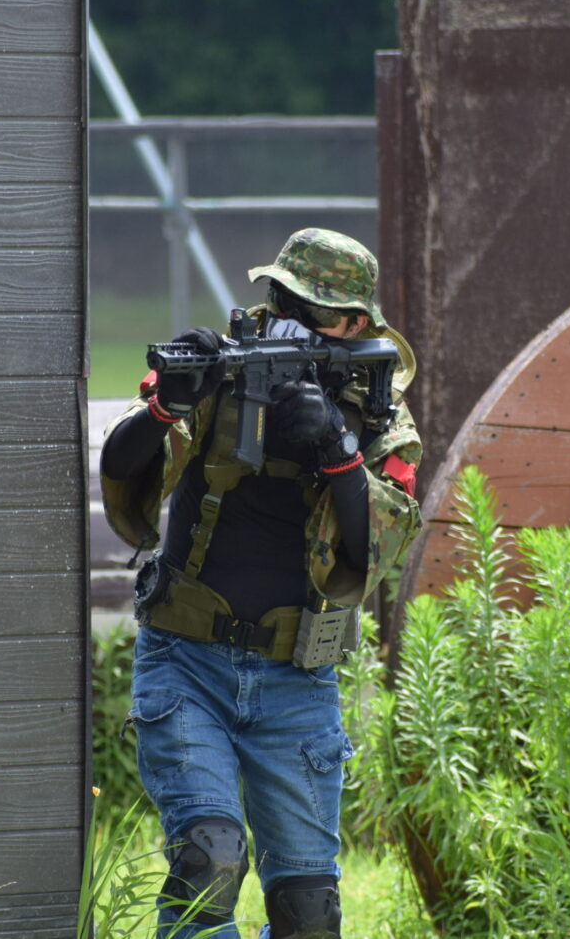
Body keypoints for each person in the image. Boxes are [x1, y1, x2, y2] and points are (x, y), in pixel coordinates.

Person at [99, 228, 423, 939]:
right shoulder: (218, 370)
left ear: (355, 326)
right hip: (187, 664)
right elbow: (120, 466)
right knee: (209, 859)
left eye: (310, 312)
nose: (287, 321)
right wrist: (168, 404)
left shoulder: (376, 410)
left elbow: (380, 547)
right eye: (280, 301)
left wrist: (336, 450)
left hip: (297, 680)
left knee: (308, 911)